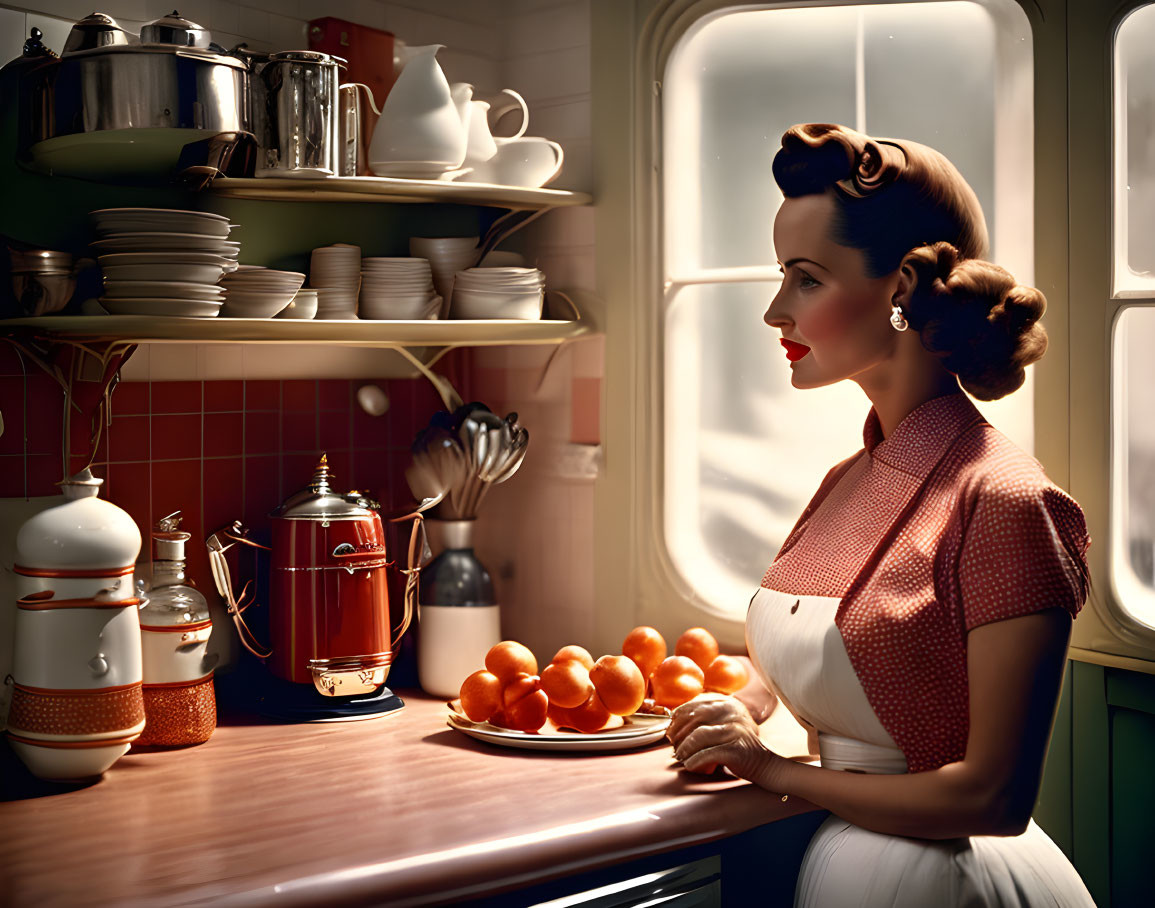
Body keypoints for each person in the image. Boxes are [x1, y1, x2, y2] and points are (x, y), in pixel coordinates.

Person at [666, 123, 1097, 906]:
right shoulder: (844, 480)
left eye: (804, 279)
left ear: (899, 290)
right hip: (842, 862)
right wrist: (744, 707)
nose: (774, 310)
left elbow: (991, 800)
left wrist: (769, 769)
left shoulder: (1004, 501)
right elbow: (813, 657)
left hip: (945, 880)